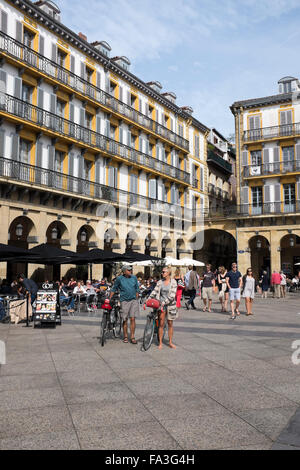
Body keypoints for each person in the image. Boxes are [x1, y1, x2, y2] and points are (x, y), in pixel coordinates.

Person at [147, 266, 178, 349]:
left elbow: (172, 296)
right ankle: (160, 342)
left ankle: (170, 342)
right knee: (161, 323)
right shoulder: (160, 282)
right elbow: (155, 291)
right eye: (162, 272)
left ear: (168, 273)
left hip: (170, 305)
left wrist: (164, 303)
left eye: (164, 272)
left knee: (170, 324)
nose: (162, 273)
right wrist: (149, 299)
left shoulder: (174, 282)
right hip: (161, 305)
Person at [110, 265, 140, 344]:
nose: (130, 271)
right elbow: (114, 288)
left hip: (133, 300)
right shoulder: (119, 279)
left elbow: (137, 288)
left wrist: (136, 297)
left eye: (131, 270)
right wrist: (110, 298)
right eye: (128, 270)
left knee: (133, 318)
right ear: (124, 271)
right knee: (125, 319)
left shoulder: (134, 278)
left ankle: (132, 336)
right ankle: (126, 336)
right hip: (124, 301)